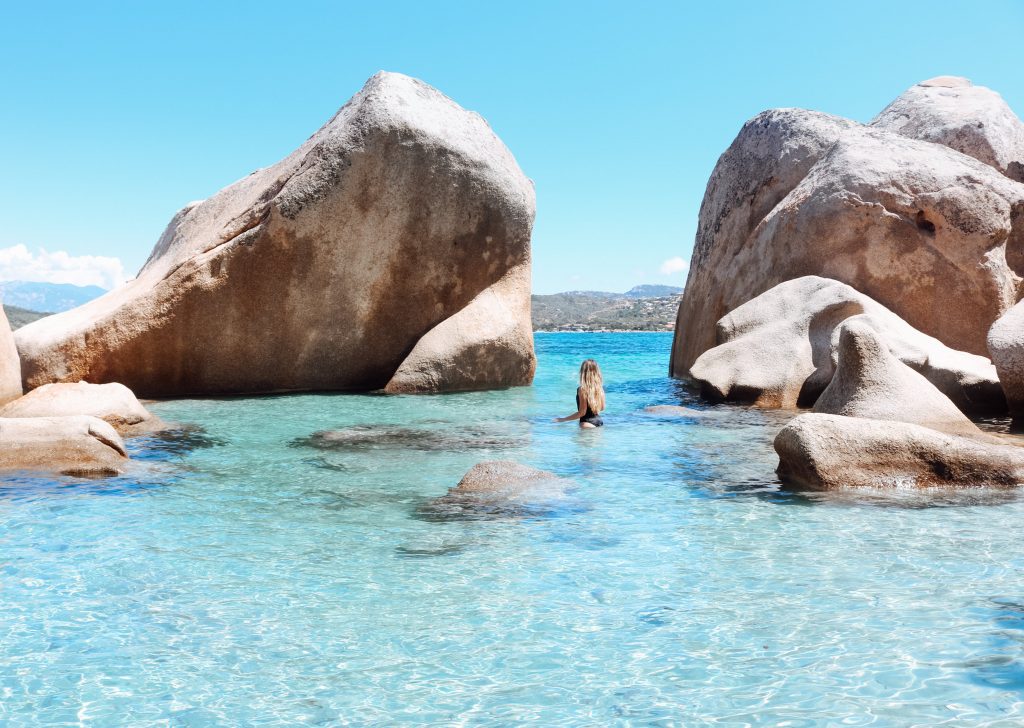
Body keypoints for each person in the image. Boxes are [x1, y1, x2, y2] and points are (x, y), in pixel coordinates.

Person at [554, 359, 606, 428]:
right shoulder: (600, 388)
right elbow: (602, 408)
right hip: (599, 422)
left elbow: (582, 413)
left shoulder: (582, 389)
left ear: (583, 372)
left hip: (587, 424)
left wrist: (563, 419)